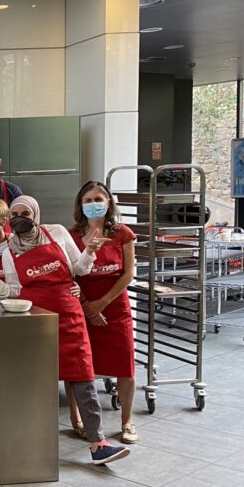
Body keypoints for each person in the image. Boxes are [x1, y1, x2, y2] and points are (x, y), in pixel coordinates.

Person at [0, 195, 129, 465]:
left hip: (70, 316)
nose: (19, 219)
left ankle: (98, 444)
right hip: (36, 321)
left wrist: (90, 251)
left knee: (84, 378)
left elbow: (79, 269)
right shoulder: (9, 252)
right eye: (14, 215)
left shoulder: (57, 233)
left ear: (36, 215)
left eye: (25, 214)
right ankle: (31, 446)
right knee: (35, 383)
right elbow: (13, 291)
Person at [70, 181, 138, 444]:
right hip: (81, 307)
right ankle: (77, 420)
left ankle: (127, 422)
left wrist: (102, 303)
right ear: (80, 205)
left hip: (116, 308)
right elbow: (68, 275)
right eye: (88, 200)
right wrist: (88, 307)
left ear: (109, 203)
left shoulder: (123, 234)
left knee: (125, 364)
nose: (94, 204)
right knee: (78, 366)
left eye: (99, 199)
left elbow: (128, 274)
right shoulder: (71, 236)